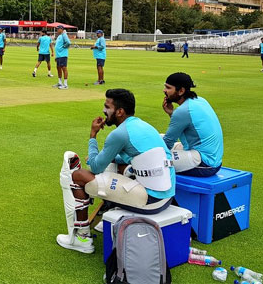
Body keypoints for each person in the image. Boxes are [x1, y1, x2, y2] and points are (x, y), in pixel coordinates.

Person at [57, 89, 175, 253]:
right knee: (116, 165)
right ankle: (107, 217)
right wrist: (113, 157)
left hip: (151, 202)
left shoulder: (119, 134)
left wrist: (93, 135)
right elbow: (137, 156)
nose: (104, 111)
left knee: (77, 176)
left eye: (107, 107)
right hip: (167, 196)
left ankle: (81, 238)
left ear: (120, 111)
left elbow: (95, 166)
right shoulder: (142, 125)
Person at [162, 72, 223, 177]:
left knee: (155, 161)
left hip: (206, 163)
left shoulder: (182, 111)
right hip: (210, 157)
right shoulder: (200, 100)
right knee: (157, 138)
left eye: (168, 88)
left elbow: (168, 143)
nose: (164, 90)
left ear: (181, 91)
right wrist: (171, 113)